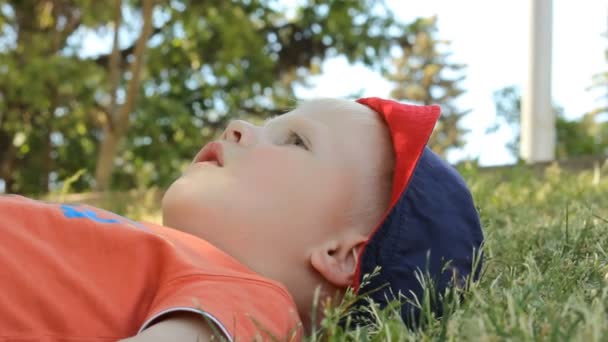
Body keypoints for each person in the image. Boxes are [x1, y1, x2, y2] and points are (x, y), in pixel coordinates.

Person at [0, 97, 483, 341]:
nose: (238, 126)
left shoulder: (252, 298)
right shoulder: (150, 252)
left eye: (296, 140)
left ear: (340, 254)